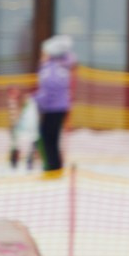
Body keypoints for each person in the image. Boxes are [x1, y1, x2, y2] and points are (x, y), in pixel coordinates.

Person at [34, 34, 76, 173]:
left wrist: (36, 101)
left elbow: (47, 91)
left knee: (47, 138)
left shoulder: (49, 70)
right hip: (61, 107)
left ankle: (52, 167)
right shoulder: (62, 67)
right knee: (53, 138)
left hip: (51, 109)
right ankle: (55, 166)